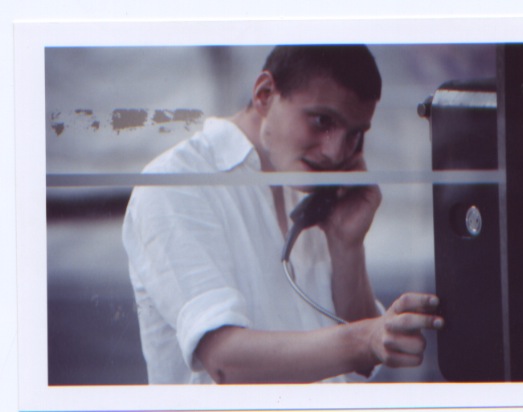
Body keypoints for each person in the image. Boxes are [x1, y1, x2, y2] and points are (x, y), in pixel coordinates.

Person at [122, 45, 444, 385]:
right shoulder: (177, 184)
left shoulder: (310, 187)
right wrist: (366, 338)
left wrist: (347, 244)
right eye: (322, 121)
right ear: (264, 95)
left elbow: (362, 366)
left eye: (355, 135)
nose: (335, 152)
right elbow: (225, 362)